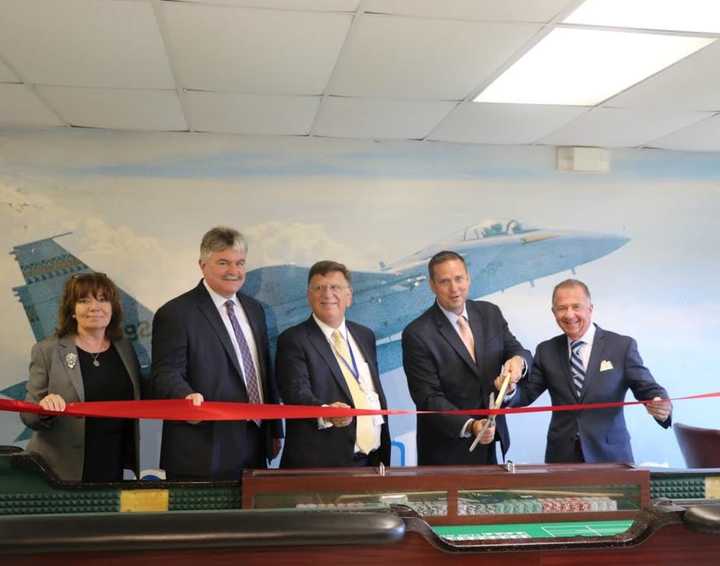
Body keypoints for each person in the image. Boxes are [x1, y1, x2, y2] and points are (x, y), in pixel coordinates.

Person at [152, 227, 282, 480]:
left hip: (255, 442)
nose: (234, 271)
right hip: (202, 447)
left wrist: (274, 429)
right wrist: (186, 396)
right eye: (223, 262)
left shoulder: (255, 310)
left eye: (240, 263)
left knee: (251, 520)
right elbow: (165, 373)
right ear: (202, 265)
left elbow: (264, 371)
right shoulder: (175, 313)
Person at [507, 279, 672, 463]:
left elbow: (648, 388)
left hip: (611, 458)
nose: (569, 315)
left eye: (576, 306)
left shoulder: (621, 346)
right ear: (553, 313)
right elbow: (526, 394)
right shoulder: (546, 350)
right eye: (562, 308)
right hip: (561, 458)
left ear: (590, 309)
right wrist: (509, 390)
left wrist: (660, 403)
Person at [402, 250, 531, 465]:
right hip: (446, 451)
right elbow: (428, 396)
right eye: (445, 281)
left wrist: (518, 362)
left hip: (491, 442)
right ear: (432, 286)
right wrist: (471, 425)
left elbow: (516, 350)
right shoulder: (417, 334)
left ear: (468, 278)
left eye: (459, 279)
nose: (454, 288)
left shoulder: (490, 313)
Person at [21, 272, 141, 482]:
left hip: (115, 463)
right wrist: (44, 407)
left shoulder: (125, 348)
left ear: (113, 308)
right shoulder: (47, 350)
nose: (95, 307)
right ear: (72, 311)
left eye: (103, 299)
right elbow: (28, 416)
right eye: (84, 301)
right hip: (61, 470)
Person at [276, 260, 390, 468]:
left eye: (335, 287)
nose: (327, 294)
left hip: (373, 462)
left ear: (349, 296)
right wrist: (325, 411)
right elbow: (295, 392)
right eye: (318, 288)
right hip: (322, 465)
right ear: (309, 296)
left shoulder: (364, 336)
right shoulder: (293, 339)